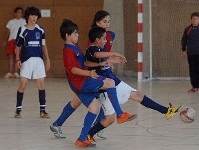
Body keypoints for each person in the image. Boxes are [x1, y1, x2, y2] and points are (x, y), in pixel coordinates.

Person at [84, 26, 182, 142]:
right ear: (97, 40)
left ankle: (166, 111)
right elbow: (96, 56)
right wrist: (113, 55)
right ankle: (89, 134)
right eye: (104, 39)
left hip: (116, 83)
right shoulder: (91, 49)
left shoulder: (101, 51)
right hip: (105, 89)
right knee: (110, 119)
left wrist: (111, 61)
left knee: (138, 95)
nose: (106, 41)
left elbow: (102, 60)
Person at [56, 19, 131, 148]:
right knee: (110, 82)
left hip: (82, 82)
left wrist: (100, 64)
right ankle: (120, 114)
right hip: (81, 82)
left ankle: (82, 139)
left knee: (94, 107)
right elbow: (73, 69)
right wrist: (89, 74)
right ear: (67, 36)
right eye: (75, 33)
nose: (78, 35)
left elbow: (84, 63)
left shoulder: (75, 46)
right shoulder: (68, 50)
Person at [14, 6, 50, 118]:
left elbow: (44, 45)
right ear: (27, 16)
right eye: (32, 15)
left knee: (41, 83)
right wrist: (17, 59)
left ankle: (42, 110)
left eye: (36, 15)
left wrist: (47, 59)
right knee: (23, 83)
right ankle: (18, 109)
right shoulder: (22, 30)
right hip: (26, 60)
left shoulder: (41, 30)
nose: (34, 17)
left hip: (38, 60)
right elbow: (17, 46)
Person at [2, 7, 26, 78]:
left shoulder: (24, 21)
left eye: (21, 12)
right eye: (18, 12)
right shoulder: (11, 22)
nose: (20, 14)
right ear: (15, 14)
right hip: (11, 40)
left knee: (17, 57)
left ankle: (16, 72)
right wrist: (5, 40)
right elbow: (7, 32)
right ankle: (10, 72)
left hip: (19, 41)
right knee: (11, 56)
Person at [181, 12, 199, 93]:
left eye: (197, 18)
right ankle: (194, 86)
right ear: (191, 19)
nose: (195, 20)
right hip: (191, 53)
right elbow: (184, 40)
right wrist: (183, 50)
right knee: (193, 70)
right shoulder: (188, 29)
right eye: (194, 19)